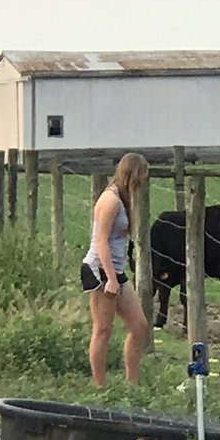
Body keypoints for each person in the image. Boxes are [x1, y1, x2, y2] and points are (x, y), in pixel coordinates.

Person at [81, 152, 150, 387]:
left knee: (139, 325)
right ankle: (100, 387)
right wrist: (111, 279)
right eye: (142, 174)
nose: (144, 180)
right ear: (131, 173)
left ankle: (133, 384)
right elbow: (101, 241)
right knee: (103, 329)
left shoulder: (122, 198)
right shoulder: (110, 200)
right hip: (100, 269)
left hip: (116, 269)